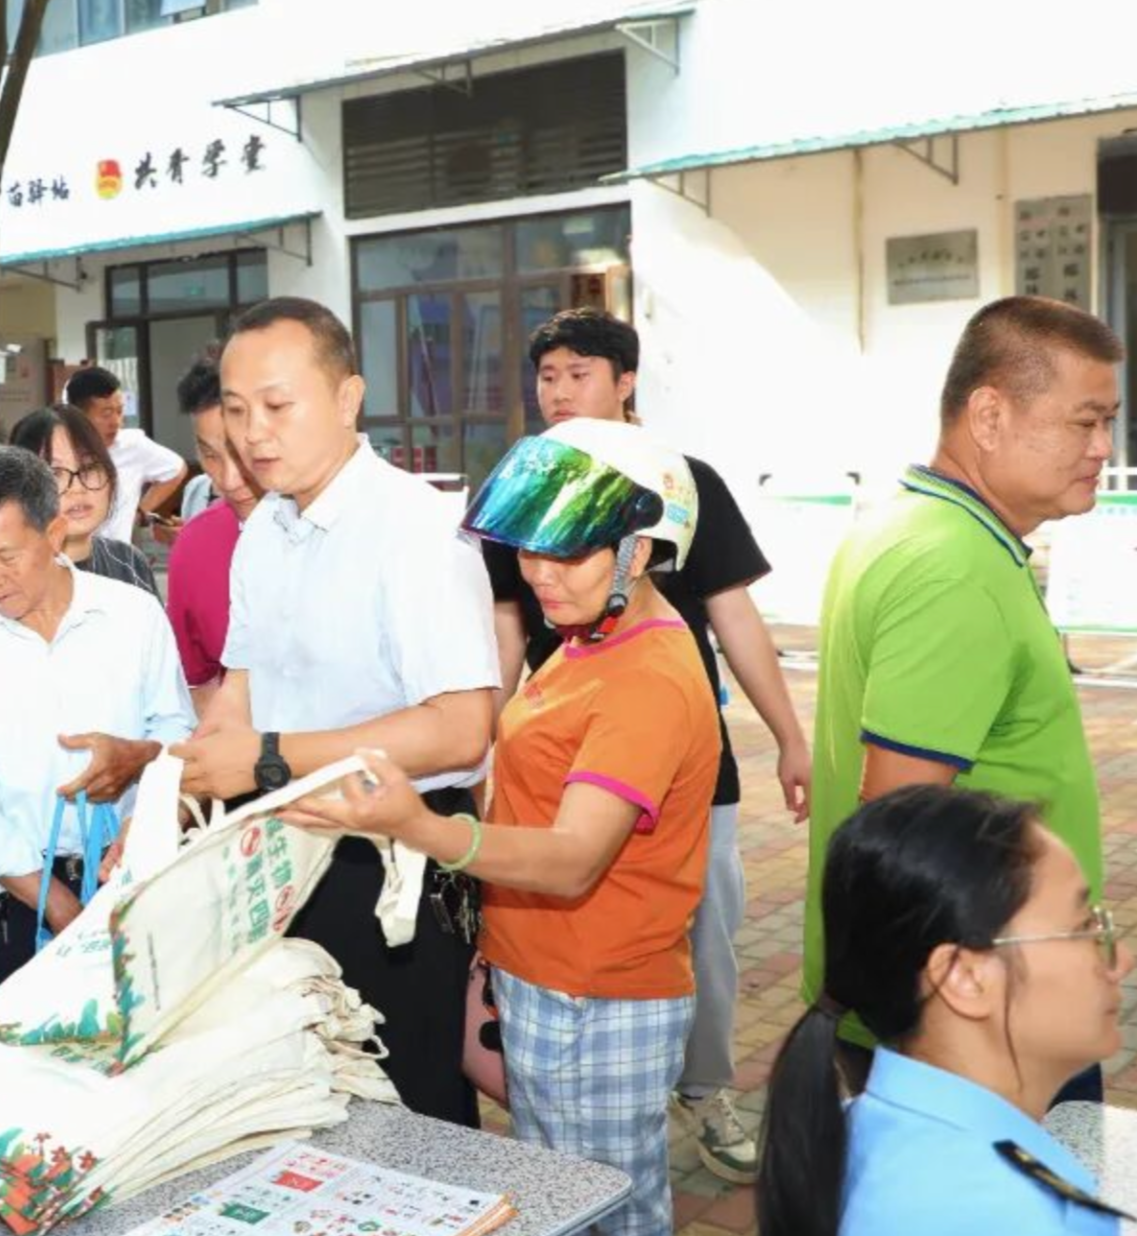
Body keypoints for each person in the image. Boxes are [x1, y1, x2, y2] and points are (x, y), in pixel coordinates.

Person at [288, 417, 718, 1236]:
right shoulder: (589, 641)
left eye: (567, 555)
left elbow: (572, 858)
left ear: (636, 552)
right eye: (528, 552)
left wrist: (417, 825)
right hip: (548, 978)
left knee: (608, 1215)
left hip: (597, 998)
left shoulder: (646, 676)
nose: (539, 575)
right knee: (561, 1201)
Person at [482, 308, 806, 1182]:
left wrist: (789, 736)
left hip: (672, 752)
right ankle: (607, 1098)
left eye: (578, 372)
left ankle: (703, 1090)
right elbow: (508, 626)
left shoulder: (679, 485)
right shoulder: (530, 483)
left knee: (699, 935)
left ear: (625, 381)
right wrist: (486, 738)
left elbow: (733, 613)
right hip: (564, 743)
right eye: (546, 375)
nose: (558, 390)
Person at [173, 297, 500, 1126]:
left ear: (348, 398)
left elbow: (462, 726)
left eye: (277, 406)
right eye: (236, 410)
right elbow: (241, 692)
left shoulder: (415, 529)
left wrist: (270, 756)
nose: (253, 434)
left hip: (393, 862)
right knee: (302, 1098)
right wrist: (177, 790)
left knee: (411, 1105)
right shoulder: (264, 531)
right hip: (284, 855)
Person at [807, 296, 1123, 1102]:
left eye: (1108, 423)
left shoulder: (917, 528)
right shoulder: (952, 568)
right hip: (975, 1025)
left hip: (958, 1006)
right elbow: (902, 822)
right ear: (988, 415)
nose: (1101, 447)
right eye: (1083, 422)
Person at [760, 786, 1131, 1236]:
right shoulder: (1001, 1215)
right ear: (965, 977)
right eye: (1083, 928)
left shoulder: (869, 1129)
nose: (1122, 958)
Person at [0, 447, 193, 986]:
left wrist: (140, 816)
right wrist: (65, 912)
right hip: (14, 903)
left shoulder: (130, 615)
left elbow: (175, 729)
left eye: (7, 556)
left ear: (55, 533)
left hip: (131, 880)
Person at [164, 361, 263, 714]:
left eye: (242, 453)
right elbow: (199, 684)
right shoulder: (196, 544)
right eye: (210, 455)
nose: (229, 480)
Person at [10, 404, 159, 599]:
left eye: (89, 468)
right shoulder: (5, 580)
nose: (78, 488)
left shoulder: (129, 563)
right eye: (54, 473)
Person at [66, 367, 187, 545]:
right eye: (106, 414)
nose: (116, 422)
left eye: (120, 411)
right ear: (78, 416)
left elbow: (176, 470)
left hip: (117, 555)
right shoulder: (59, 450)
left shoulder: (132, 446)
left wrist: (140, 511)